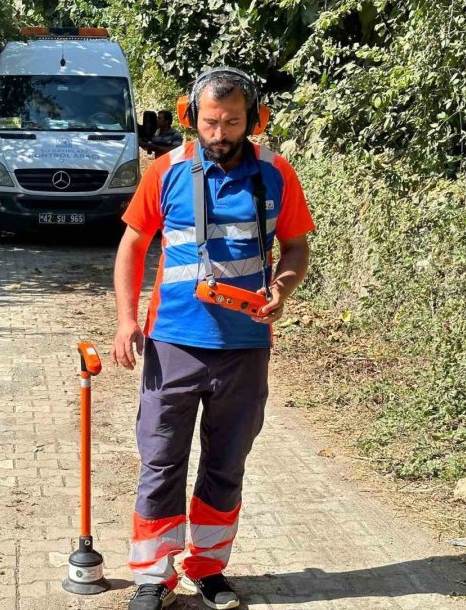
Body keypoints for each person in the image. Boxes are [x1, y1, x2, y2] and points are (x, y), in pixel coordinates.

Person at [111, 68, 315, 610]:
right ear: (191, 119)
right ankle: (154, 575)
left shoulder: (276, 174)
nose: (220, 133)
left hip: (245, 347)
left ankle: (208, 568)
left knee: (226, 463)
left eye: (231, 122)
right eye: (210, 122)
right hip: (173, 341)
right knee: (160, 460)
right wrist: (125, 320)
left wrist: (283, 288)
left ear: (255, 120)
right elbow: (133, 245)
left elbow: (295, 249)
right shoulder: (166, 171)